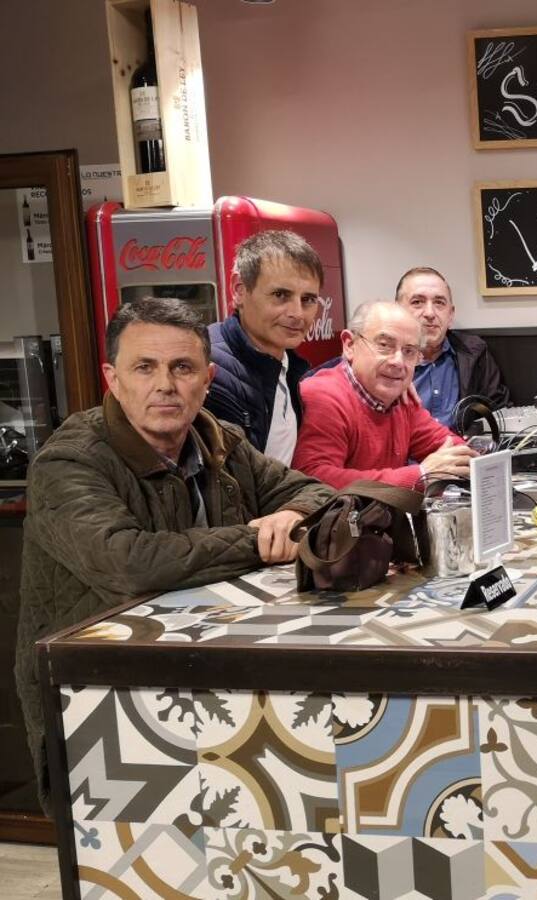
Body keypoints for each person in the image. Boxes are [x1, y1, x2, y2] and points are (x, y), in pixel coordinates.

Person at [15, 297, 331, 808]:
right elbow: (129, 562)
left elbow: (319, 494)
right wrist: (257, 540)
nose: (165, 384)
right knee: (130, 850)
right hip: (101, 700)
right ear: (113, 379)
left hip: (212, 681)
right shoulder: (68, 462)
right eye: (145, 367)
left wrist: (292, 514)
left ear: (207, 379)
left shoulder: (219, 440)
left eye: (182, 367)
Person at [292, 301, 477, 489]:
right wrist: (421, 475)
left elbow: (452, 447)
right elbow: (315, 479)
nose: (398, 362)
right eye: (384, 345)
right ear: (349, 345)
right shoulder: (323, 396)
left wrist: (465, 460)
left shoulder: (401, 397)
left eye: (409, 351)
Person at [206, 229, 325, 464]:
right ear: (239, 290)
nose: (297, 314)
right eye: (280, 295)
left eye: (308, 300)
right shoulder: (209, 370)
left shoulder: (289, 365)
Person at [397, 267, 510, 426]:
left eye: (439, 303)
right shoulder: (384, 363)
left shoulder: (474, 352)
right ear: (398, 311)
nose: (430, 313)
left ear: (450, 315)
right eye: (417, 302)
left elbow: (499, 412)